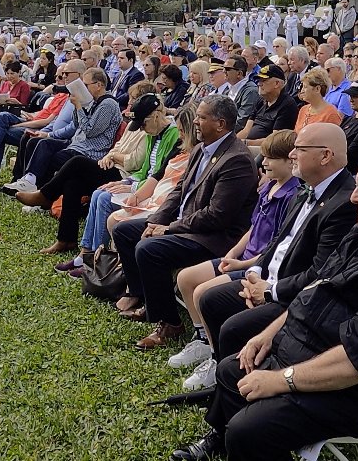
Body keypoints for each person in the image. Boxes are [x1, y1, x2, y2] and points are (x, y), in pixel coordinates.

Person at [170, 143, 358, 461]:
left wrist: (281, 380)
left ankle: (240, 438)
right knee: (232, 369)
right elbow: (319, 285)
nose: (353, 196)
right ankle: (224, 438)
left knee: (249, 428)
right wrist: (268, 334)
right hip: (315, 350)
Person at [177, 125, 354, 392]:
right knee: (209, 298)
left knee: (234, 326)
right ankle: (220, 365)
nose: (293, 154)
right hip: (268, 280)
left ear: (325, 156)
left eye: (300, 149)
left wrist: (269, 291)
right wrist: (254, 273)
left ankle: (237, 380)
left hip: (295, 296)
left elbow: (320, 273)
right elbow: (278, 240)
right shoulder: (308, 189)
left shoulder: (343, 203)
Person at [111, 95, 260, 351]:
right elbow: (179, 190)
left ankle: (169, 323)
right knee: (125, 230)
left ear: (221, 124)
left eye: (202, 118)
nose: (196, 123)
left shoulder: (236, 160)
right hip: (187, 224)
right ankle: (143, 297)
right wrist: (156, 221)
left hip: (213, 237)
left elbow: (216, 216)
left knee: (149, 250)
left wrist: (168, 228)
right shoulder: (202, 148)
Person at [17, 93, 183, 255]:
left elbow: (149, 169)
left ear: (155, 116)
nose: (140, 128)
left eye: (143, 124)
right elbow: (142, 167)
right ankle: (70, 242)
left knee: (78, 164)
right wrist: (119, 167)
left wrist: (127, 180)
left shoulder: (172, 134)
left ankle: (47, 196)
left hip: (134, 180)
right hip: (128, 176)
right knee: (72, 182)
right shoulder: (152, 133)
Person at [0, 67, 122, 195]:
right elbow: (76, 124)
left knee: (51, 158)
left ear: (99, 85)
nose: (84, 88)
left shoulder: (108, 104)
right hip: (76, 145)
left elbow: (90, 131)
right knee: (40, 143)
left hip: (89, 151)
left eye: (86, 85)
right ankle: (30, 181)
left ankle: (42, 195)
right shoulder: (94, 102)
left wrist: (79, 107)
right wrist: (78, 106)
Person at [237, 64, 297, 147]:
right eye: (258, 80)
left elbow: (275, 140)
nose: (259, 84)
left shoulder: (287, 104)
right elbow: (246, 130)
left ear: (277, 83)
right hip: (249, 146)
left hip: (268, 149)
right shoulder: (261, 100)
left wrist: (247, 143)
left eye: (263, 80)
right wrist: (233, 142)